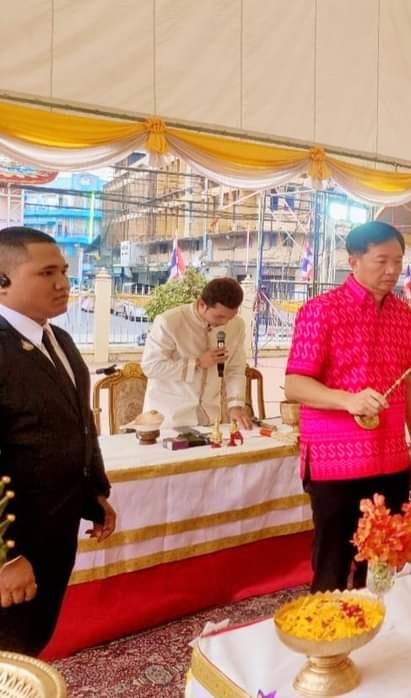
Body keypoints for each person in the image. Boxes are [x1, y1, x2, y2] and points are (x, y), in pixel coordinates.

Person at [283, 222, 411, 593]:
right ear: (353, 261)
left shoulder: (404, 316)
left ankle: (381, 638)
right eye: (381, 261)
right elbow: (295, 384)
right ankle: (325, 645)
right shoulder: (320, 311)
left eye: (397, 261)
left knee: (383, 565)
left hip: (391, 458)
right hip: (336, 464)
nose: (392, 270)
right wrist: (348, 400)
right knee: (331, 565)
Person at [0, 227, 115, 655]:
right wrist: (5, 558)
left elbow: (78, 424)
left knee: (32, 641)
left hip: (55, 530)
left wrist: (94, 494)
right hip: (15, 545)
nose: (64, 283)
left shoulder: (58, 339)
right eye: (47, 273)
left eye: (64, 271)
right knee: (10, 653)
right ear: (3, 282)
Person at [141, 277, 250, 430]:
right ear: (202, 304)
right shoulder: (170, 322)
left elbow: (236, 369)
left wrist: (235, 405)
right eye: (219, 316)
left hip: (210, 418)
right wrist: (196, 363)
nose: (225, 323)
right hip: (168, 419)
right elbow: (151, 367)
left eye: (230, 317)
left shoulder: (237, 325)